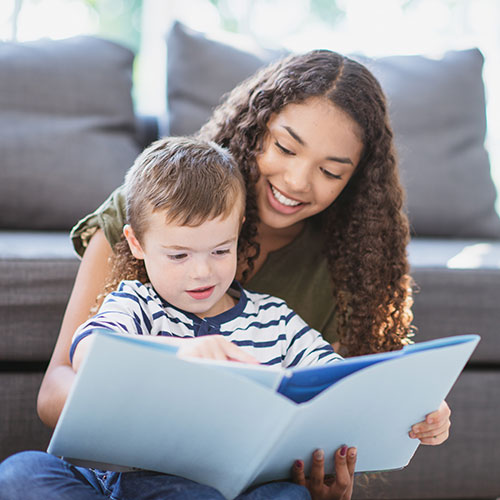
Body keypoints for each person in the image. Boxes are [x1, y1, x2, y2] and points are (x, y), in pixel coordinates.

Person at [35, 48, 449, 471]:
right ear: (256, 128)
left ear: (355, 181)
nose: (297, 181)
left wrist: (412, 410)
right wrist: (160, 394)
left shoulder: (336, 271)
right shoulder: (156, 209)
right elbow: (55, 393)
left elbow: (338, 399)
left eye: (330, 172)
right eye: (286, 148)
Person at [0, 136, 356, 500]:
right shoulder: (135, 302)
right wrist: (179, 354)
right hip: (115, 480)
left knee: (287, 497)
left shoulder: (277, 320)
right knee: (20, 473)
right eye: (179, 256)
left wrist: (411, 417)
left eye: (220, 250)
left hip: (217, 486)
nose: (202, 272)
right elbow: (89, 350)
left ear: (239, 231)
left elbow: (338, 381)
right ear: (137, 244)